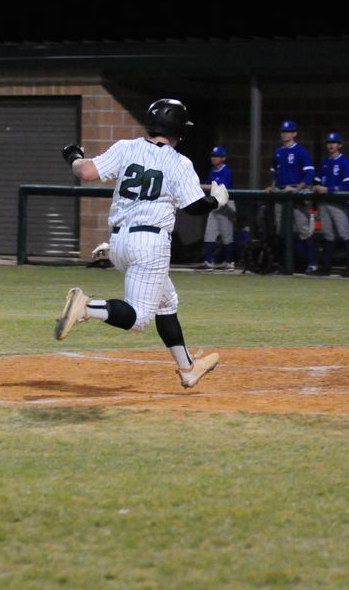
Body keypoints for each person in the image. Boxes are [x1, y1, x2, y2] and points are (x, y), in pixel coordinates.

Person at [54, 98, 224, 389]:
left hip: (119, 242)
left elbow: (85, 172)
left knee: (167, 302)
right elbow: (194, 206)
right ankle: (87, 308)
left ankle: (188, 370)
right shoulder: (178, 162)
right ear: (179, 130)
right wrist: (216, 201)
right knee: (139, 319)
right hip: (150, 244)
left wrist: (73, 155)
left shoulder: (126, 148)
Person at [264, 119, 317, 273]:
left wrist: (298, 188)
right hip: (281, 193)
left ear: (294, 133)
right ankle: (286, 264)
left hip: (296, 194)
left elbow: (310, 173)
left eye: (288, 132)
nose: (285, 134)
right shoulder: (278, 151)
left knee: (304, 230)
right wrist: (272, 186)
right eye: (283, 132)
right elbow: (274, 171)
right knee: (283, 231)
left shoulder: (300, 151)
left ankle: (312, 263)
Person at [312, 132, 349, 275]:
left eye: (334, 142)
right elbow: (317, 179)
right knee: (328, 235)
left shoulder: (344, 161)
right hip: (324, 202)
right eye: (329, 143)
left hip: (337, 203)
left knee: (345, 234)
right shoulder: (325, 161)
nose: (331, 145)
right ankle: (326, 266)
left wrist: (328, 189)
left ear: (340, 145)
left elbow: (346, 184)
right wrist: (316, 186)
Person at [198, 145, 236, 271]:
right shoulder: (212, 171)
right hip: (214, 205)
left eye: (217, 156)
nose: (214, 158)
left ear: (223, 158)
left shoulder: (227, 171)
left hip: (226, 205)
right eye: (213, 156)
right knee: (210, 233)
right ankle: (209, 262)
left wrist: (201, 186)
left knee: (227, 235)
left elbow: (219, 188)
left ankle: (229, 262)